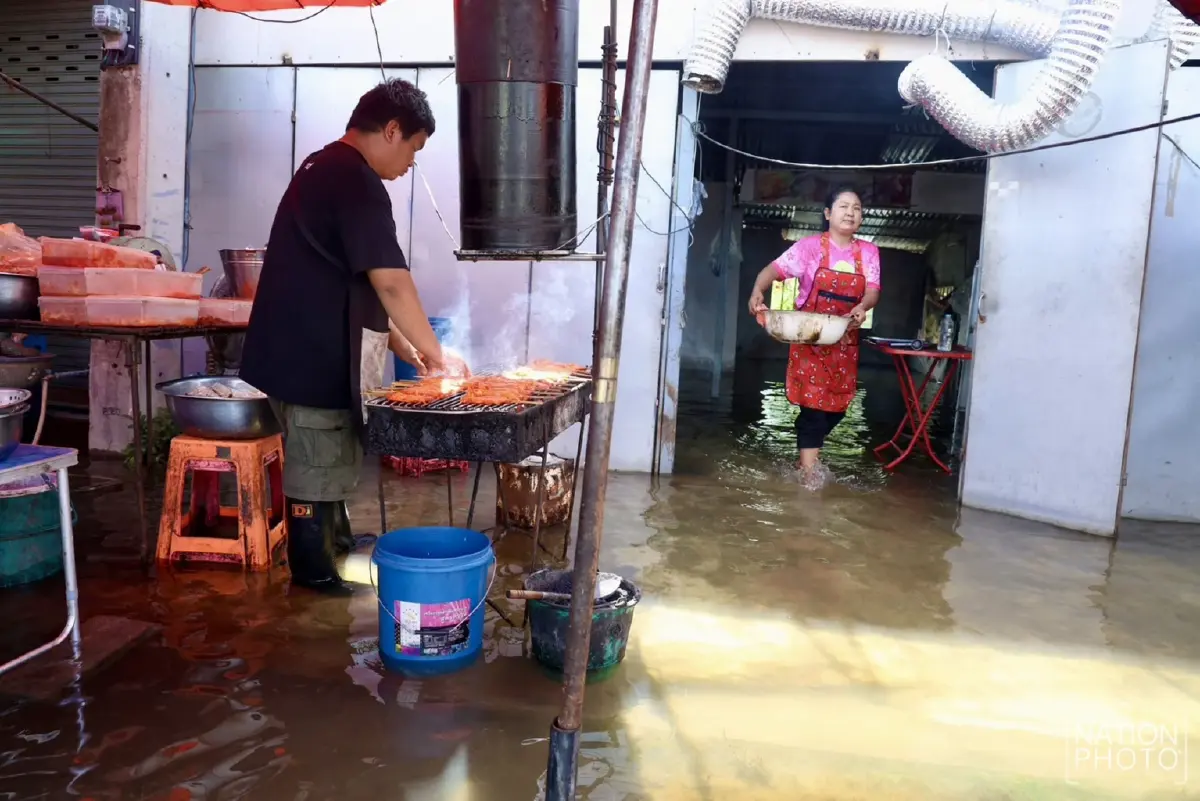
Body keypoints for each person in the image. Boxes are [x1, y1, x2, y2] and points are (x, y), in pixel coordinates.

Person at [241, 79, 467, 595]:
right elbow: (389, 280)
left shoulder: (324, 167)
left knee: (332, 458)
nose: (411, 163)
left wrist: (405, 347)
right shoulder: (354, 181)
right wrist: (438, 358)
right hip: (310, 362)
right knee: (315, 468)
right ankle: (314, 574)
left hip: (308, 351)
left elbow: (348, 280)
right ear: (392, 130)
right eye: (413, 148)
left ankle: (336, 543)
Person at [747, 187, 881, 490]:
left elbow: (872, 290)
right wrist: (758, 290)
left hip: (844, 341)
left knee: (837, 407)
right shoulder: (809, 248)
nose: (850, 212)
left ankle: (803, 459)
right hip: (810, 339)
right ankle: (808, 477)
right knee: (813, 408)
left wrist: (863, 306)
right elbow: (773, 270)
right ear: (828, 214)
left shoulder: (869, 252)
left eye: (857, 208)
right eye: (844, 206)